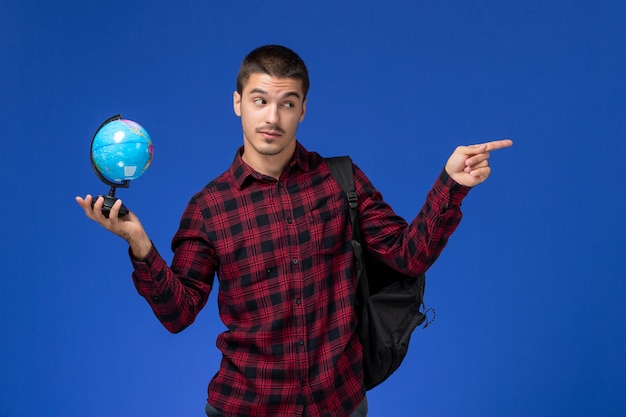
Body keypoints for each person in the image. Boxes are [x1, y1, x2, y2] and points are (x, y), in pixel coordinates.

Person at [76, 45, 512, 417]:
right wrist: (139, 243)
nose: (273, 117)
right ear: (237, 103)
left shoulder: (341, 181)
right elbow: (179, 313)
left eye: (287, 103)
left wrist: (451, 186)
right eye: (260, 100)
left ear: (303, 108)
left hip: (338, 403)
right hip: (244, 406)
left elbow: (407, 256)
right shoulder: (209, 208)